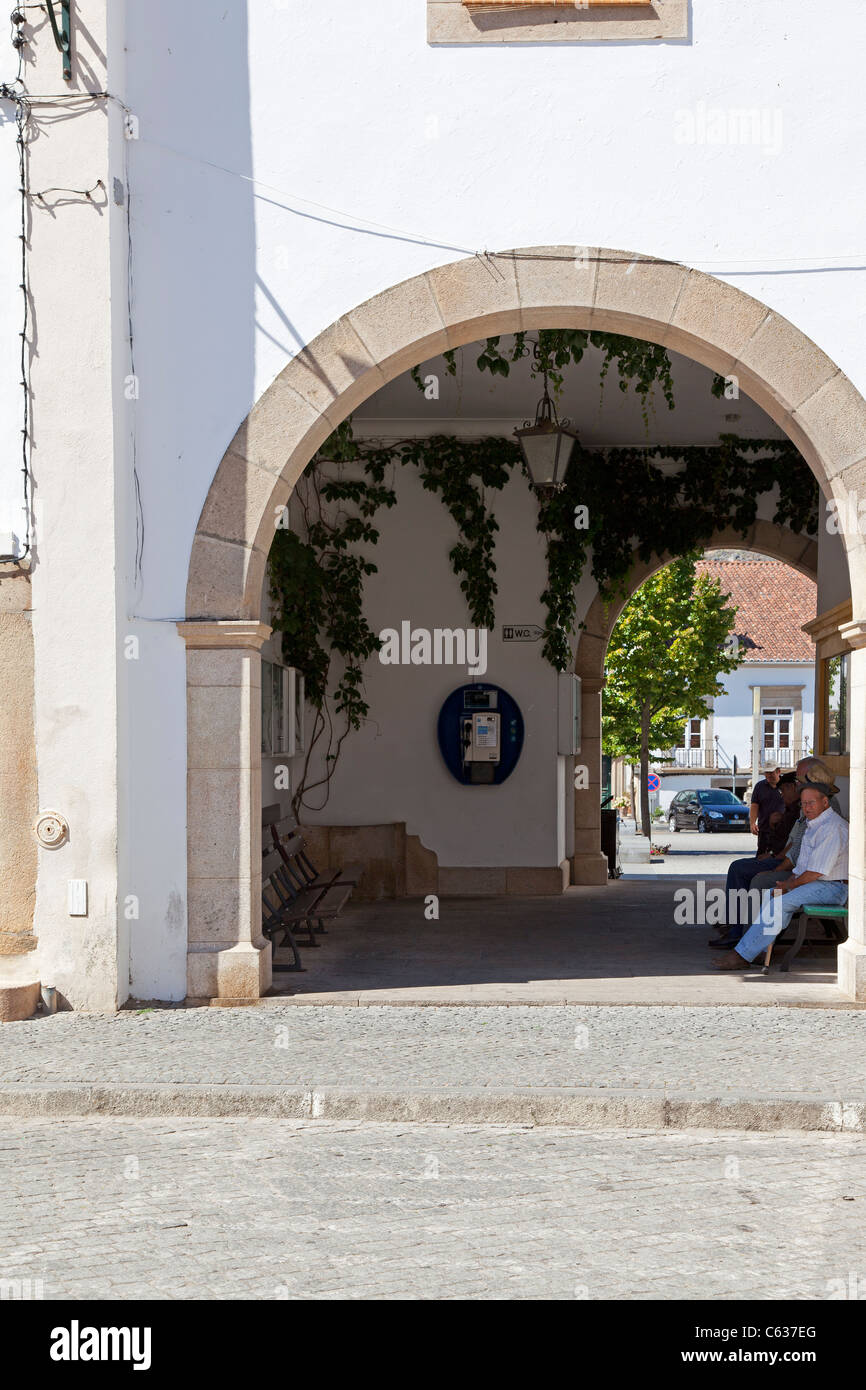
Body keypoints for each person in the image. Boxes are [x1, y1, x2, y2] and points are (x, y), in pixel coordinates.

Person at [712, 784, 848, 970]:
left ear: (825, 802)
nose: (806, 808)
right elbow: (803, 868)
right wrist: (787, 883)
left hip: (833, 887)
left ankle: (742, 955)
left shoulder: (831, 827)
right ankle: (758, 950)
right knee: (771, 895)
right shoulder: (815, 824)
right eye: (803, 804)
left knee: (779, 902)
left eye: (811, 803)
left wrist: (789, 885)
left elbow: (816, 871)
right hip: (818, 883)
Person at [709, 773, 802, 950]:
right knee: (741, 869)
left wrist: (775, 858)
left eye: (783, 790)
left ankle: (736, 931)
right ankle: (735, 925)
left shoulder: (801, 811)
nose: (782, 795)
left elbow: (794, 848)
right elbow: (787, 841)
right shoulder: (791, 809)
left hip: (788, 864)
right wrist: (774, 840)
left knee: (739, 869)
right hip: (777, 856)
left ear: (792, 787)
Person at [749, 766, 783, 854]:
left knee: (779, 856)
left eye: (771, 772)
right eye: (766, 773)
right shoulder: (759, 786)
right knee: (761, 855)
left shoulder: (786, 785)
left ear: (778, 771)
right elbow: (754, 805)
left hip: (783, 829)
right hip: (764, 829)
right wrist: (752, 823)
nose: (768, 775)